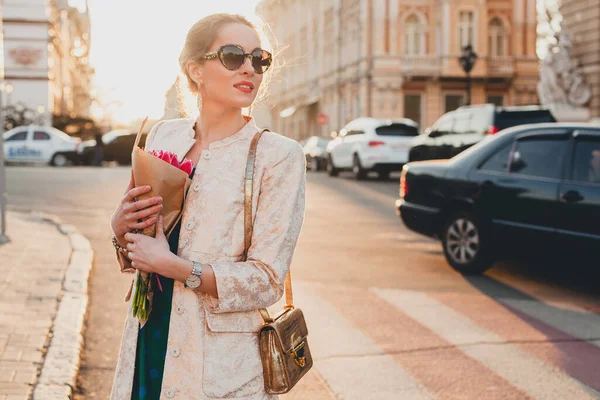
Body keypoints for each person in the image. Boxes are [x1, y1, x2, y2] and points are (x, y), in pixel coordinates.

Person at [109, 13, 306, 400]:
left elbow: (267, 279)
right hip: (150, 331)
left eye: (259, 58)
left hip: (219, 366)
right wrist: (119, 230)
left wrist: (174, 267)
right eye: (233, 56)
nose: (249, 67)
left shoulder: (277, 156)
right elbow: (141, 246)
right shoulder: (165, 134)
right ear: (195, 69)